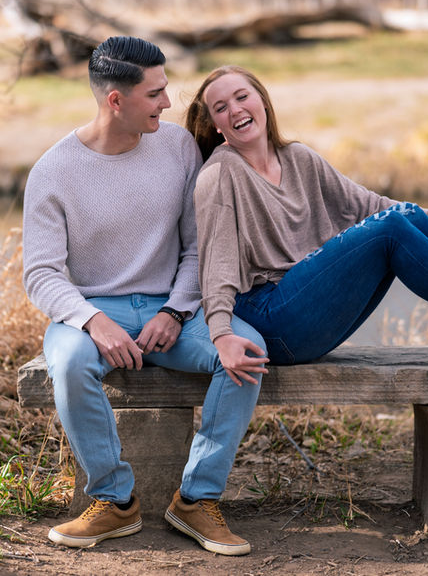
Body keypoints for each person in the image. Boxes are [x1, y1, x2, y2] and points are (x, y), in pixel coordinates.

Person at [22, 39, 269, 556]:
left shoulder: (178, 147)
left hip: (173, 305)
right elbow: (42, 275)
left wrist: (176, 310)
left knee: (244, 351)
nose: (168, 104)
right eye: (156, 93)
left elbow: (198, 248)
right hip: (92, 310)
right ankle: (114, 501)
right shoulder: (53, 170)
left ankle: (196, 499)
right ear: (116, 100)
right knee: (68, 364)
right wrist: (92, 322)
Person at [185, 65, 428, 367]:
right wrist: (221, 335)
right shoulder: (221, 175)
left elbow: (369, 205)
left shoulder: (298, 158)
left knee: (403, 215)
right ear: (217, 125)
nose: (235, 109)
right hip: (273, 322)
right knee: (390, 230)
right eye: (221, 107)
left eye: (242, 97)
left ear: (263, 101)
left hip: (309, 306)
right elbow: (215, 266)